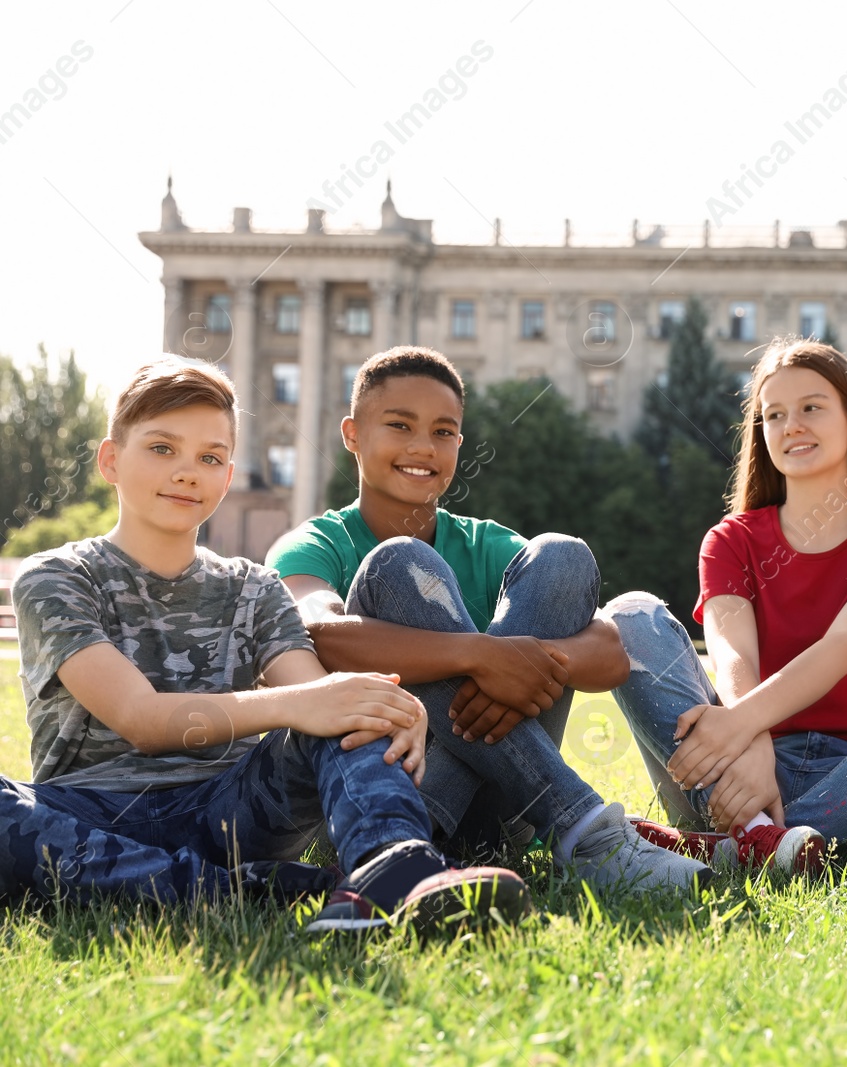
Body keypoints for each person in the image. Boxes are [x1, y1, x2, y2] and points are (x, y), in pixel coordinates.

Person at [6, 357, 527, 934]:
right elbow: (140, 718)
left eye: (209, 458)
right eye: (161, 448)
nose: (186, 473)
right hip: (90, 818)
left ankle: (394, 868)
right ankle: (265, 891)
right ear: (110, 460)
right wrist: (301, 704)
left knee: (346, 702)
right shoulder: (57, 577)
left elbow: (312, 694)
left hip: (236, 813)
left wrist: (370, 704)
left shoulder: (253, 587)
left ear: (228, 477)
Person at [267, 346, 710, 894]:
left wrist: (517, 667)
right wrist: (480, 657)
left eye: (444, 432)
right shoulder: (315, 543)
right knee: (398, 564)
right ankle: (586, 835)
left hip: (506, 808)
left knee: (563, 556)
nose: (422, 447)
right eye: (399, 425)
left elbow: (612, 654)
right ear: (353, 434)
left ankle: (538, 831)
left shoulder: (484, 543)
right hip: (382, 806)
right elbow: (313, 636)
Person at [607, 338, 847, 872]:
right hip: (741, 774)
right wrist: (752, 742)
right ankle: (768, 841)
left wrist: (740, 725)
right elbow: (733, 653)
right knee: (628, 615)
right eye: (774, 415)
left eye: (812, 407)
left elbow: (843, 646)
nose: (792, 426)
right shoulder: (731, 540)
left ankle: (747, 844)